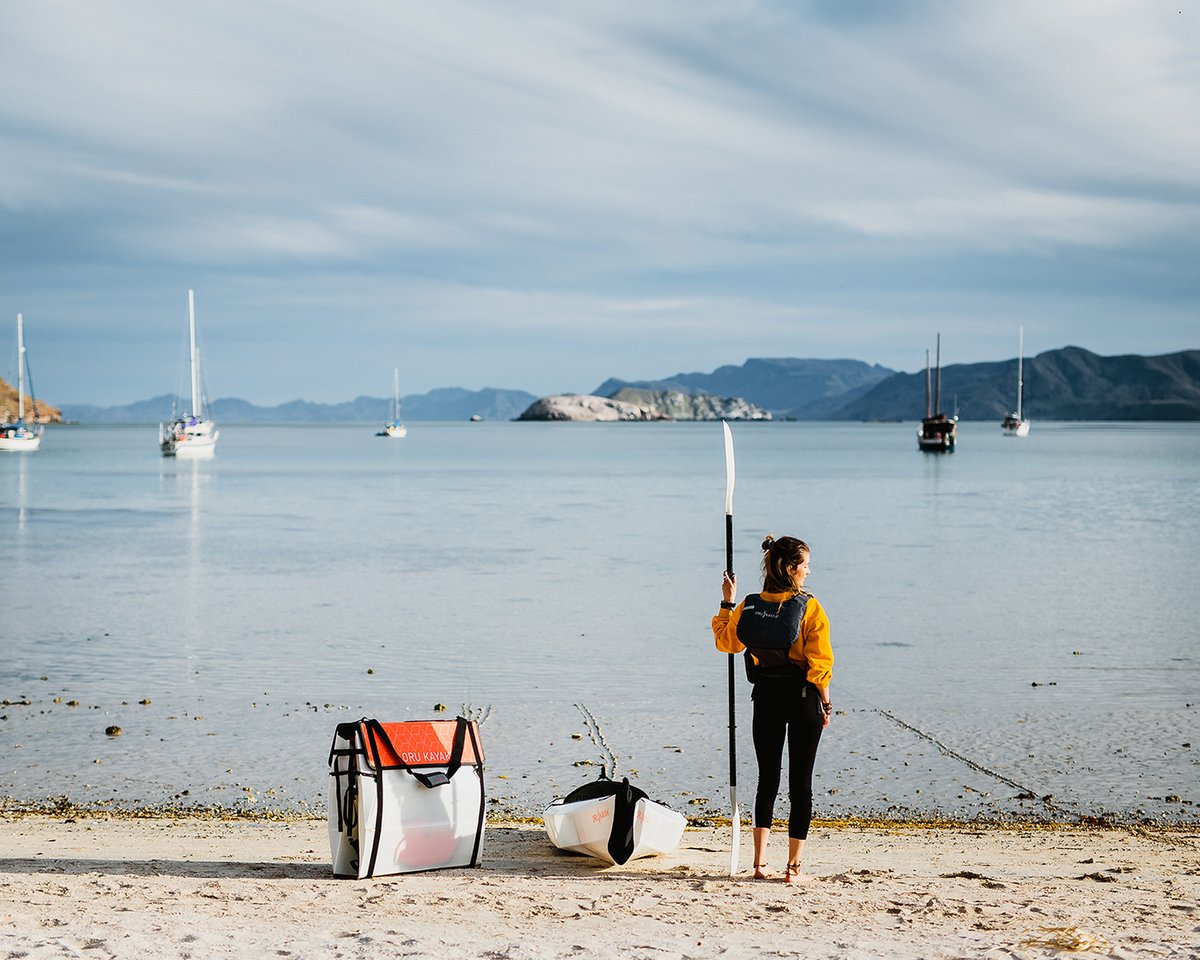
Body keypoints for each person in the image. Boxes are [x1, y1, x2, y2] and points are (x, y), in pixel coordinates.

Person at [712, 534, 833, 884]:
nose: (809, 573)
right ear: (792, 569)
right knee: (801, 786)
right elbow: (819, 665)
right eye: (806, 566)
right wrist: (826, 702)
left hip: (765, 698)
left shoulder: (749, 606)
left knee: (767, 780)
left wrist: (726, 602)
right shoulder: (809, 607)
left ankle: (759, 865)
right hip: (802, 699)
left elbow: (725, 642)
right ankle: (793, 871)